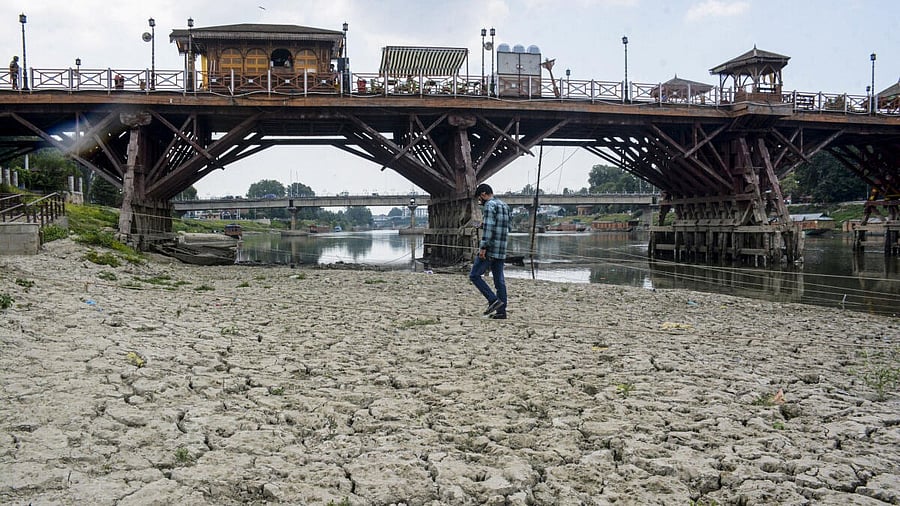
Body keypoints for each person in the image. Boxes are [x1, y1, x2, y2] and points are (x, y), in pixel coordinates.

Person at [469, 183, 510, 319]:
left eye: (480, 199)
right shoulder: (504, 206)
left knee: (474, 275)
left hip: (490, 249)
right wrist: (483, 225)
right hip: (501, 249)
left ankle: (493, 300)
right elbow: (505, 227)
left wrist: (483, 247)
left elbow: (489, 229)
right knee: (499, 281)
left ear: (483, 194)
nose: (480, 202)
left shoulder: (489, 206)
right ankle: (501, 312)